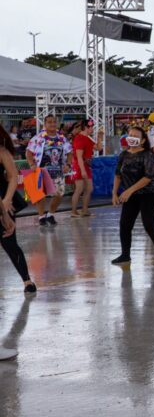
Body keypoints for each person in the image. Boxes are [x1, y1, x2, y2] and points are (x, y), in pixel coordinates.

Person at [111, 127, 154, 265]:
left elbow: (148, 177)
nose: (132, 138)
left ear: (142, 141)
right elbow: (118, 175)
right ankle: (125, 255)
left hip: (148, 193)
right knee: (125, 224)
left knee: (149, 224)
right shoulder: (124, 155)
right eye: (130, 135)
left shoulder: (147, 155)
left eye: (136, 136)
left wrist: (129, 191)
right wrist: (114, 193)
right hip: (130, 193)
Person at [0, 124, 35, 293]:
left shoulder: (2, 152)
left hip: (5, 198)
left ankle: (27, 280)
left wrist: (6, 200)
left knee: (9, 242)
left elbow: (13, 176)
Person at [25, 116, 73, 226]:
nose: (52, 124)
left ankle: (50, 214)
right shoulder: (38, 138)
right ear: (45, 124)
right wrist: (32, 164)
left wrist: (68, 164)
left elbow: (70, 152)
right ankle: (41, 216)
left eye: (54, 122)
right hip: (41, 171)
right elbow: (28, 152)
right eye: (49, 122)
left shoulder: (62, 138)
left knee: (59, 194)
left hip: (58, 171)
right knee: (40, 195)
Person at [70, 120, 103, 217]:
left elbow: (99, 148)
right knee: (79, 189)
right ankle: (73, 211)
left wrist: (99, 138)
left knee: (89, 188)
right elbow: (79, 157)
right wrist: (83, 170)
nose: (93, 129)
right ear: (85, 127)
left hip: (85, 165)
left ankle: (84, 210)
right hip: (80, 165)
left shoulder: (87, 138)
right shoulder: (80, 138)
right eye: (91, 127)